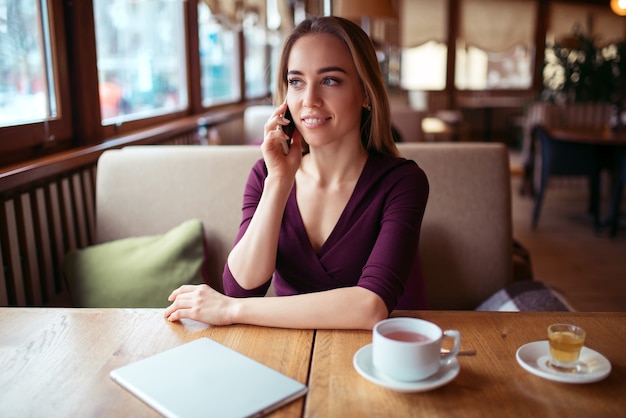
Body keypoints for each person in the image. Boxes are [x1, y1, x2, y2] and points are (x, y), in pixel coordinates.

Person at [165, 16, 429, 330]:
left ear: (366, 93)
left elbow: (370, 307)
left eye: (330, 80)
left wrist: (231, 311)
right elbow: (242, 287)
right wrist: (279, 180)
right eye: (296, 82)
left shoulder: (402, 182)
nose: (309, 100)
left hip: (386, 351)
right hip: (291, 348)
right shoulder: (266, 174)